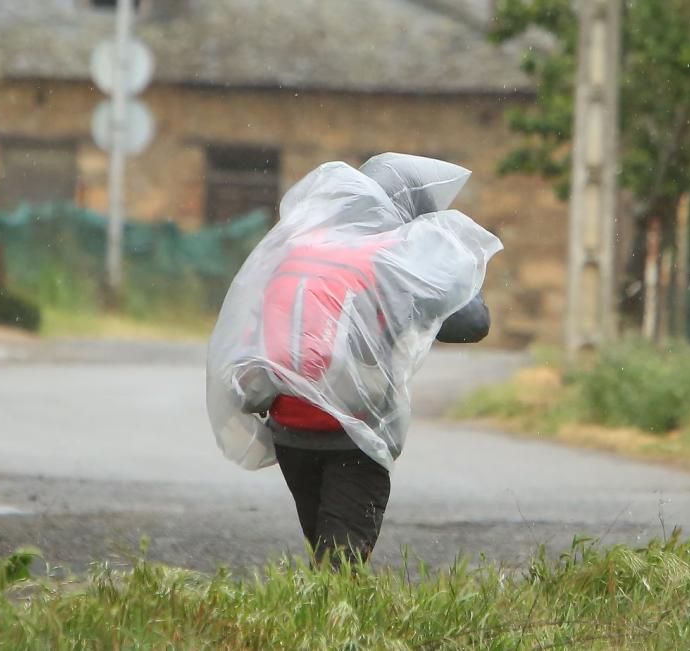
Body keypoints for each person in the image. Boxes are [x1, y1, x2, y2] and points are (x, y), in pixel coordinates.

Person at [208, 153, 501, 567]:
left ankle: (307, 627)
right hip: (355, 434)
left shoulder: (301, 247)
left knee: (325, 553)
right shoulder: (388, 262)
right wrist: (448, 255)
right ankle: (326, 629)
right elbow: (473, 324)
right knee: (340, 564)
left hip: (290, 428)